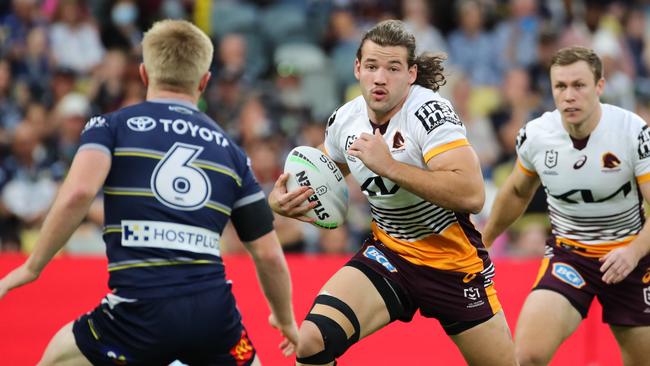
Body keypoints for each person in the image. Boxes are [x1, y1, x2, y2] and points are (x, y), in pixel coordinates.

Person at [0, 19, 298, 365]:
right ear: (204, 81)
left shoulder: (110, 126)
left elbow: (79, 193)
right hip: (214, 318)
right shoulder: (231, 152)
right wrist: (285, 317)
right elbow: (269, 255)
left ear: (143, 74)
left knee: (56, 357)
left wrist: (32, 267)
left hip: (138, 312)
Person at [270, 19, 517, 366]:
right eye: (371, 66)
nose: (380, 78)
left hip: (452, 265)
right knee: (311, 342)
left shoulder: (431, 114)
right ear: (357, 68)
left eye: (392, 68)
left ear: (411, 74)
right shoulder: (345, 120)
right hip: (390, 255)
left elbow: (472, 194)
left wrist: (389, 166)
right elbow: (323, 174)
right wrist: (283, 200)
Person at [482, 46, 650, 366]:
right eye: (560, 86)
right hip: (570, 257)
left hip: (630, 258)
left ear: (599, 87)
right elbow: (517, 191)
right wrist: (484, 242)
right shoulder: (537, 134)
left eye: (579, 85)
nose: (569, 95)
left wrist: (633, 253)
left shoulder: (633, 133)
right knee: (527, 356)